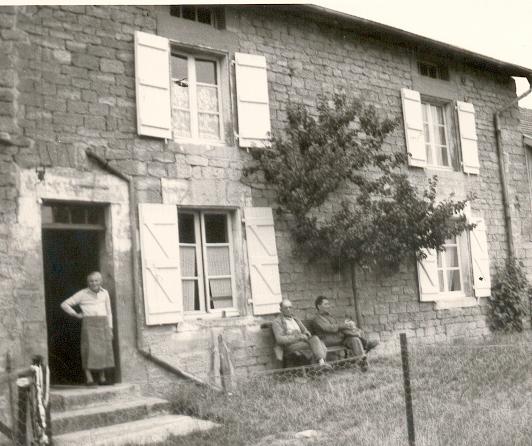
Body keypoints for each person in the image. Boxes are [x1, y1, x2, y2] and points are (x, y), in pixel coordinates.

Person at [61, 271, 114, 386]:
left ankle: (102, 378)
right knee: (88, 350)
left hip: (103, 323)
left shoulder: (105, 293)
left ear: (101, 281)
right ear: (88, 282)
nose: (94, 283)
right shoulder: (82, 294)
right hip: (89, 324)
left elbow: (109, 312)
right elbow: (65, 304)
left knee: (103, 351)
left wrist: (110, 327)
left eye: (96, 280)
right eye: (91, 281)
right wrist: (76, 314)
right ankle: (89, 379)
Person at [311, 295, 378, 358]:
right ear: (319, 306)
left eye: (328, 304)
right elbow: (329, 328)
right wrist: (345, 326)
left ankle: (362, 361)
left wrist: (345, 324)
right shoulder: (317, 319)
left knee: (354, 339)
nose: (328, 306)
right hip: (328, 340)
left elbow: (336, 325)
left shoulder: (329, 316)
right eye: (326, 304)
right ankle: (365, 342)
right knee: (346, 329)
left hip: (338, 338)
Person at [272, 299, 331, 368]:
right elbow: (280, 339)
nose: (288, 309)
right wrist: (298, 337)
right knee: (317, 344)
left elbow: (306, 331)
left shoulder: (295, 319)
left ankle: (320, 364)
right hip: (290, 345)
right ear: (281, 309)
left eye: (290, 307)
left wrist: (305, 335)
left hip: (303, 342)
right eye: (286, 308)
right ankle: (320, 365)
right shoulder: (277, 322)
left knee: (315, 339)